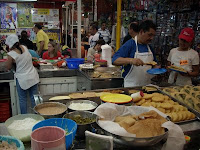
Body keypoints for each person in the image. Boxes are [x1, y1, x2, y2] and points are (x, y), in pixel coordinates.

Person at [112, 20, 157, 87]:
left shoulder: (149, 48)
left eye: (153, 36)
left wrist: (156, 69)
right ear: (141, 32)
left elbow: (154, 64)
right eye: (149, 35)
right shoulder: (130, 44)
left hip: (147, 86)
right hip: (131, 86)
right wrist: (131, 60)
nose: (151, 38)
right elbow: (115, 60)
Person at [5, 34, 39, 114]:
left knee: (23, 99)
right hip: (33, 76)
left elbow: (8, 67)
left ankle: (24, 117)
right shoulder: (24, 47)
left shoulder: (11, 54)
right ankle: (38, 115)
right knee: (34, 98)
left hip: (22, 79)